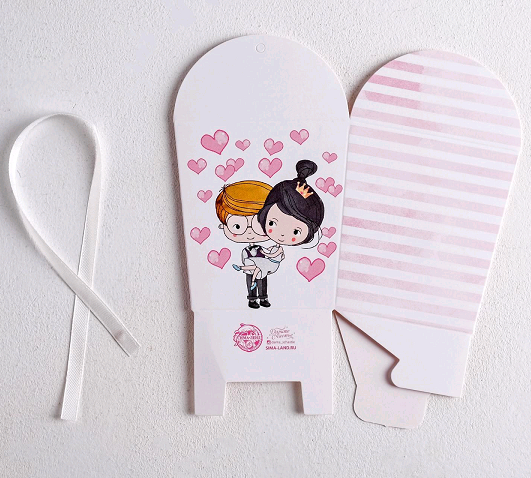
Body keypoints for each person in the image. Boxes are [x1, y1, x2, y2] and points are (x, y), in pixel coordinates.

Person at [232, 160, 325, 290]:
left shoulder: (279, 248)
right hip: (267, 263)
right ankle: (249, 277)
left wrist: (264, 252)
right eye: (272, 223)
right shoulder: (271, 243)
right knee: (258, 266)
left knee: (259, 266)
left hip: (272, 264)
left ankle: (245, 272)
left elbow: (272, 255)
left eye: (296, 231)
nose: (281, 234)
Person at [215, 180, 273, 309]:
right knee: (251, 284)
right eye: (237, 226)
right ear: (223, 225)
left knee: (263, 283)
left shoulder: (262, 249)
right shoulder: (245, 251)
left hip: (262, 270)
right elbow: (245, 261)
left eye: (259, 224)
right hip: (250, 270)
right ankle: (252, 300)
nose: (250, 231)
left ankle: (263, 298)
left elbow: (269, 257)